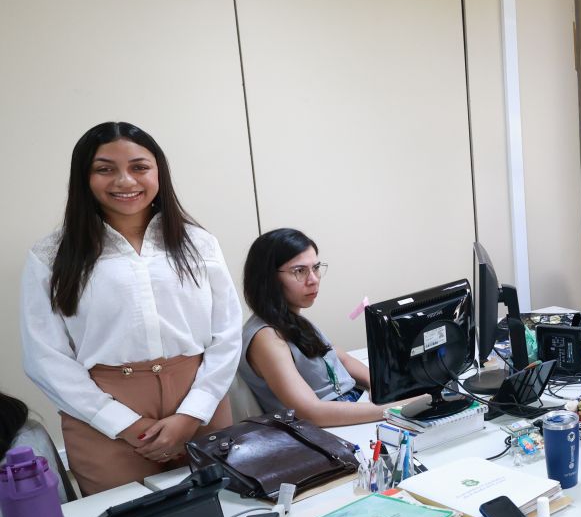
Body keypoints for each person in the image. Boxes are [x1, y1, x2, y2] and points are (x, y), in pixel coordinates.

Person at [21, 121, 242, 494]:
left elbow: (228, 332)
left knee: (227, 509)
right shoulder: (51, 256)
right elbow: (44, 356)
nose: (125, 181)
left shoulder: (198, 243)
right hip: (102, 416)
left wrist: (193, 413)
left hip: (200, 401)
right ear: (84, 178)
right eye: (105, 169)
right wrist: (124, 424)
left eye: (139, 167)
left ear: (159, 173)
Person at [241, 228, 409, 426]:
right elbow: (311, 413)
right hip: (327, 427)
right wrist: (398, 407)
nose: (313, 279)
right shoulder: (266, 338)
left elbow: (342, 359)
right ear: (268, 278)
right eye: (300, 271)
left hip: (354, 405)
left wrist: (381, 387)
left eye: (316, 268)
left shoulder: (292, 319)